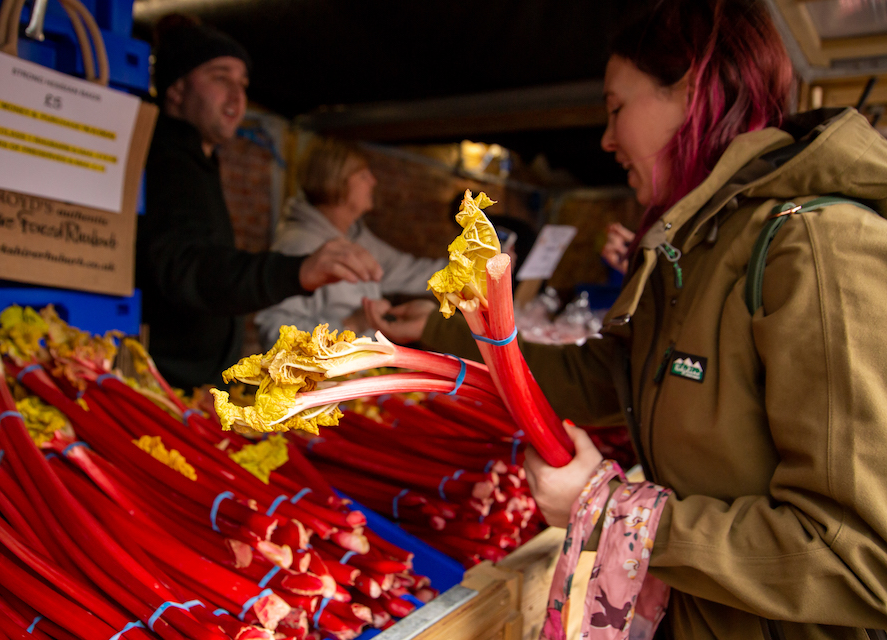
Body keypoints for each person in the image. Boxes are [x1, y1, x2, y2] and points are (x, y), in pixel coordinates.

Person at [367, 0, 887, 637]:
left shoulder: (815, 246)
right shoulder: (694, 249)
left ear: (693, 88)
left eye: (617, 108)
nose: (607, 139)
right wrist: (442, 331)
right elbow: (609, 374)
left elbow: (857, 557)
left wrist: (613, 513)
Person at [136, 17, 382, 391]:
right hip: (163, 383)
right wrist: (295, 272)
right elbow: (187, 266)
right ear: (176, 88)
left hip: (193, 384)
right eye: (221, 78)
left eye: (243, 84)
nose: (237, 96)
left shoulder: (198, 161)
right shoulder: (165, 159)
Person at [253, 138, 445, 349]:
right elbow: (272, 330)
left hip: (357, 374)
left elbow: (409, 270)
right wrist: (351, 324)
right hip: (326, 381)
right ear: (336, 181)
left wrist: (470, 270)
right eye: (363, 175)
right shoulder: (298, 244)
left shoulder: (355, 236)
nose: (373, 181)